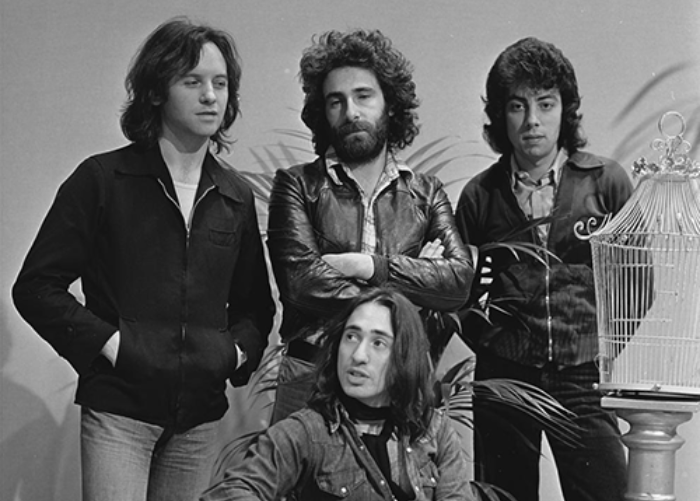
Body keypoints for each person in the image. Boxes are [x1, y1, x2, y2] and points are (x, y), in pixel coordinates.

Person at [12, 17, 275, 501]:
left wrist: (229, 355)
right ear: (156, 92)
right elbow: (36, 287)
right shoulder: (102, 180)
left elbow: (255, 308)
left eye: (220, 84)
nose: (210, 97)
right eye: (192, 81)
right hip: (120, 412)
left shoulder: (234, 195)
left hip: (199, 420)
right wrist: (113, 346)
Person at [455, 37, 632, 501]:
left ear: (564, 111)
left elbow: (636, 282)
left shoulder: (605, 182)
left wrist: (600, 347)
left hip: (583, 374)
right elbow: (461, 290)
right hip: (505, 376)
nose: (532, 120)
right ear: (501, 116)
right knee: (502, 496)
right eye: (517, 106)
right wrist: (495, 345)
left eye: (545, 104)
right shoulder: (479, 196)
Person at [267, 28, 474, 423]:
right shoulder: (297, 185)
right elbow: (302, 283)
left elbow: (459, 281)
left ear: (390, 104)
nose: (351, 112)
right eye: (336, 101)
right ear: (323, 113)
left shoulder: (426, 193)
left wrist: (367, 266)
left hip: (399, 378)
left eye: (363, 96)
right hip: (311, 373)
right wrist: (411, 295)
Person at [201, 287, 474, 501]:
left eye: (378, 343)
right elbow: (229, 493)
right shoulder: (307, 432)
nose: (358, 355)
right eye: (351, 337)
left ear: (405, 357)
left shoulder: (435, 430)